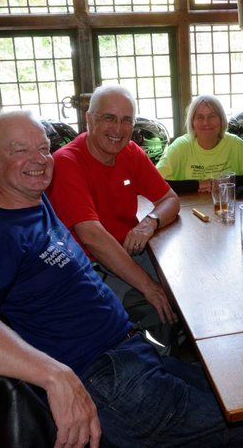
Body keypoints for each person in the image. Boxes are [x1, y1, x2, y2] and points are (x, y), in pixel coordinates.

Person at [0, 110, 243, 447]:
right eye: (19, 150)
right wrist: (55, 376)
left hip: (130, 353)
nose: (39, 160)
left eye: (42, 148)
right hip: (107, 377)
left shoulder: (31, 203)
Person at [46, 85, 180, 354]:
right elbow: (92, 237)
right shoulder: (66, 162)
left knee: (185, 288)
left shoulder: (130, 152)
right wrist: (148, 286)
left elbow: (170, 200)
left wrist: (149, 222)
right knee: (154, 307)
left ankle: (189, 357)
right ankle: (158, 373)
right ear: (90, 119)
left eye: (126, 120)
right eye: (109, 118)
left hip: (128, 252)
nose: (118, 129)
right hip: (88, 265)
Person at [155, 94, 243, 194]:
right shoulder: (180, 146)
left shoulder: (236, 144)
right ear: (192, 122)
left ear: (221, 119)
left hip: (227, 208)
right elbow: (155, 182)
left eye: (212, 116)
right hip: (188, 209)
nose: (206, 123)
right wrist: (200, 184)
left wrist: (224, 182)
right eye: (200, 117)